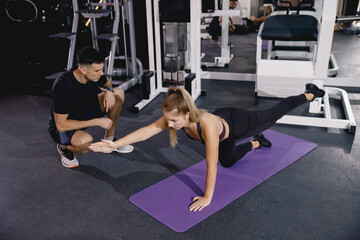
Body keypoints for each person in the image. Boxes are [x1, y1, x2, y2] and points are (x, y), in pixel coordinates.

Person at [89, 83, 325, 211]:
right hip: (224, 125)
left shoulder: (207, 127)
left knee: (275, 113)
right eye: (167, 120)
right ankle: (256, 143)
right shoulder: (175, 116)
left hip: (240, 123)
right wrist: (113, 144)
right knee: (229, 161)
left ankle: (309, 94)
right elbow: (147, 131)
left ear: (187, 114)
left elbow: (210, 166)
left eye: (174, 121)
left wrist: (207, 197)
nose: (169, 125)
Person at [48, 46, 134, 169]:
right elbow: (61, 125)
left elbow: (107, 82)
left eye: (101, 69)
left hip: (86, 110)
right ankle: (64, 147)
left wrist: (109, 91)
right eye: (97, 71)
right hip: (66, 125)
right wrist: (97, 121)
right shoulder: (63, 86)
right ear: (83, 70)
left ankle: (110, 139)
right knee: (85, 142)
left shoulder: (94, 75)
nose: (101, 73)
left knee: (118, 92)